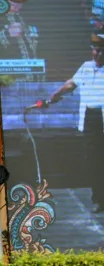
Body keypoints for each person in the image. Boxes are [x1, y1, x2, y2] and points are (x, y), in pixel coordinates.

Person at [43, 33, 104, 208]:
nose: (98, 54)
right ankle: (99, 199)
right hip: (91, 119)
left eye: (102, 51)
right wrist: (57, 94)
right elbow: (72, 83)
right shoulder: (86, 67)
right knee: (94, 160)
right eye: (96, 50)